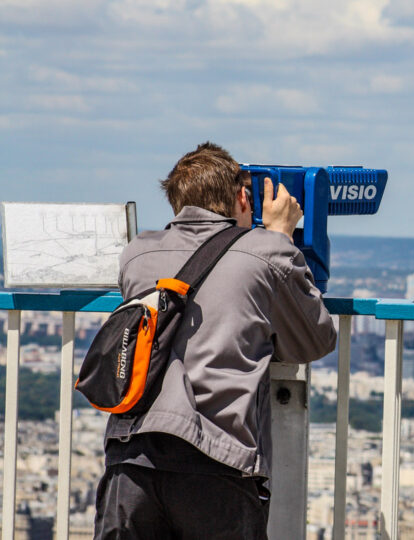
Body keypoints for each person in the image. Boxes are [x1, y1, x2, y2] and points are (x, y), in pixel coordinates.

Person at [94, 142, 337, 539]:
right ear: (243, 197)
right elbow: (315, 340)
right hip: (218, 460)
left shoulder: (137, 254)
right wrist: (280, 238)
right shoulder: (265, 253)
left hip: (132, 456)